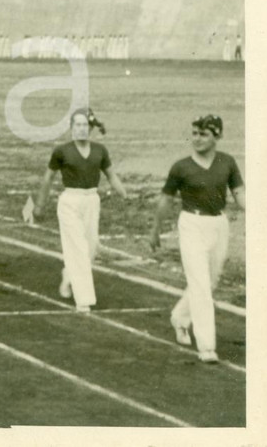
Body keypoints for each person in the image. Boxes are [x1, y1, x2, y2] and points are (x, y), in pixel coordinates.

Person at [150, 115, 244, 364]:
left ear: (217, 136)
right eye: (194, 133)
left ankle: (180, 317)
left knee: (209, 282)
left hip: (218, 225)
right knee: (201, 285)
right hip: (191, 224)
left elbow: (239, 194)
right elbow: (166, 200)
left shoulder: (227, 163)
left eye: (203, 134)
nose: (197, 138)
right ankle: (207, 345)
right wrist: (156, 229)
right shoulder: (181, 167)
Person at [29, 108, 126, 313]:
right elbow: (48, 178)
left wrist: (123, 192)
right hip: (70, 201)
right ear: (72, 128)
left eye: (84, 126)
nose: (81, 129)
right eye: (77, 125)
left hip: (92, 201)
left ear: (90, 128)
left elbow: (111, 175)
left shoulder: (100, 150)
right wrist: (39, 205)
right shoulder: (62, 151)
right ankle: (84, 299)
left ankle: (68, 277)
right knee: (78, 249)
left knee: (90, 249)